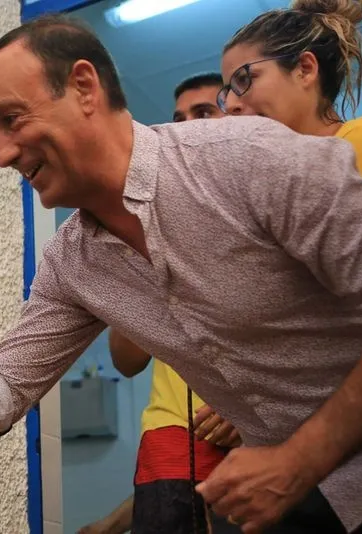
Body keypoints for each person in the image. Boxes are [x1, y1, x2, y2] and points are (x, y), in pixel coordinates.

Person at [0, 14, 362, 534]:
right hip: (307, 498)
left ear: (84, 87)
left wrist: (299, 459)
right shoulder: (71, 263)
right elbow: (0, 392)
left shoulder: (245, 156)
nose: (3, 155)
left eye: (12, 120)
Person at [78, 73, 242, 534]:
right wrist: (143, 252)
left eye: (204, 113)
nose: (186, 127)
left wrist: (243, 406)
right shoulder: (153, 223)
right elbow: (126, 360)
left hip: (265, 438)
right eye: (177, 119)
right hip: (173, 440)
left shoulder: (260, 213)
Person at [220, 0, 362, 190]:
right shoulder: (281, 181)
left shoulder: (361, 139)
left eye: (244, 79)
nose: (229, 104)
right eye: (227, 92)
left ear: (305, 69)